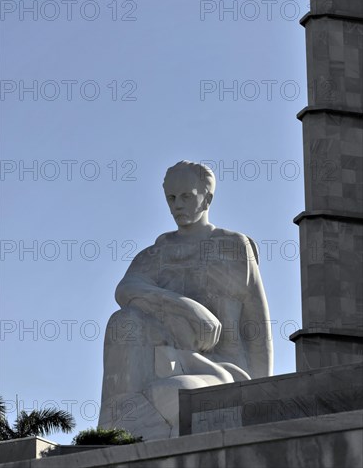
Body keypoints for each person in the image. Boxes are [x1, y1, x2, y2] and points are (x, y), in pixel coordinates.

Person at [99, 161, 273, 439]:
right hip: (168, 363)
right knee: (124, 321)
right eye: (171, 197)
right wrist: (184, 305)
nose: (177, 205)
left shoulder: (234, 246)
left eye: (186, 196)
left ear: (208, 198)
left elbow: (258, 331)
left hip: (223, 374)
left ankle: (135, 438)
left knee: (169, 395)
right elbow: (126, 289)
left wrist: (261, 401)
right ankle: (114, 438)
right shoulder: (154, 255)